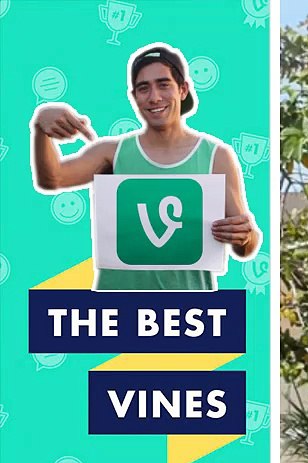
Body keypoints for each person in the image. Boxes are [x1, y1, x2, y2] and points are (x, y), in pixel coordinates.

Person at [30, 43, 259, 291]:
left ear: (183, 90)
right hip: (119, 309)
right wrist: (41, 127)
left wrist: (245, 236)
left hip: (188, 310)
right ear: (134, 97)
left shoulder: (216, 157)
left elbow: (245, 246)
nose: (154, 97)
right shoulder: (111, 154)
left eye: (164, 84)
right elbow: (52, 179)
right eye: (143, 88)